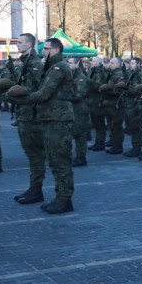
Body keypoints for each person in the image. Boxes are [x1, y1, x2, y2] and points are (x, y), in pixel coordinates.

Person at [12, 38, 76, 214]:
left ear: (56, 50)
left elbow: (44, 93)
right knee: (54, 161)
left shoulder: (59, 68)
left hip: (58, 120)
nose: (43, 52)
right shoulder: (51, 68)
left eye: (47, 49)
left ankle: (64, 199)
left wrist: (22, 99)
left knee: (60, 161)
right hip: (49, 118)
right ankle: (60, 197)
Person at [11, 34, 48, 205]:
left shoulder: (34, 63)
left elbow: (38, 89)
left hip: (32, 116)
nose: (17, 45)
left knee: (35, 155)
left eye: (20, 43)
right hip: (24, 114)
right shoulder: (25, 61)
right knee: (31, 155)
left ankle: (36, 189)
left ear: (29, 44)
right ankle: (34, 188)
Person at [67, 57, 91, 167]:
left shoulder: (81, 77)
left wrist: (66, 95)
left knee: (80, 136)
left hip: (80, 110)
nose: (69, 64)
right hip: (72, 110)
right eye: (68, 62)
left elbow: (80, 95)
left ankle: (81, 157)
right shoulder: (70, 76)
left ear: (77, 64)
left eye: (71, 63)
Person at [86, 56, 107, 151]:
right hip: (91, 100)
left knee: (99, 123)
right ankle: (97, 142)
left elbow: (98, 87)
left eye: (94, 61)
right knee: (95, 123)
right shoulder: (92, 71)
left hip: (97, 100)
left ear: (99, 62)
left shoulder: (99, 72)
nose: (92, 63)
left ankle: (100, 142)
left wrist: (88, 81)